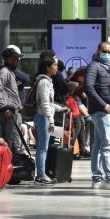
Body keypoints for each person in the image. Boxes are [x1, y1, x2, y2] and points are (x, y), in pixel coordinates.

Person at [84, 42, 110, 190]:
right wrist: (103, 104)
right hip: (101, 111)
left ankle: (96, 178)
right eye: (105, 51)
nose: (108, 54)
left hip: (104, 110)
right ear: (98, 50)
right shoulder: (94, 66)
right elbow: (88, 87)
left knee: (98, 145)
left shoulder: (106, 66)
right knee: (107, 145)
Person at [33, 57, 69, 186]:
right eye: (54, 65)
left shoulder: (46, 81)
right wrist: (51, 120)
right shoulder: (43, 82)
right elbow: (44, 103)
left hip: (44, 116)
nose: (57, 67)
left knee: (44, 148)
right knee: (42, 148)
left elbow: (49, 103)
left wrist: (60, 108)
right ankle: (40, 176)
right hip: (43, 117)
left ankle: (42, 174)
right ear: (48, 68)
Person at [0, 46, 23, 154]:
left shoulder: (10, 72)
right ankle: (5, 168)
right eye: (16, 58)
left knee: (13, 143)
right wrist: (5, 109)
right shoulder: (4, 72)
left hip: (11, 112)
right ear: (9, 59)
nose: (18, 60)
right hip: (7, 113)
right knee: (7, 142)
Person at [66, 83, 86, 159]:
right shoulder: (73, 97)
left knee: (80, 125)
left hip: (75, 112)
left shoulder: (74, 96)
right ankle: (71, 148)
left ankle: (82, 149)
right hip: (74, 113)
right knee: (78, 126)